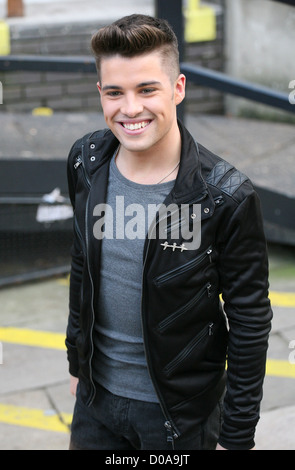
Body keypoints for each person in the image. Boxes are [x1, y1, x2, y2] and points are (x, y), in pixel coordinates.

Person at [65, 14, 272, 451]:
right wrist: (75, 361)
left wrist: (236, 436)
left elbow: (250, 321)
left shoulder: (226, 196)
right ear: (100, 93)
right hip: (95, 403)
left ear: (178, 88)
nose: (130, 109)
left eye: (147, 89)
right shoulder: (86, 162)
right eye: (115, 92)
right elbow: (83, 260)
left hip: (179, 417)